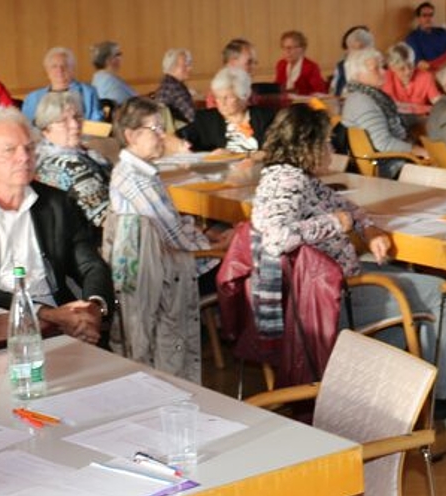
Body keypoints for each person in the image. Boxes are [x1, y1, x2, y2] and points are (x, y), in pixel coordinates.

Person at [254, 103, 446, 418]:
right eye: (324, 142)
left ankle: (378, 382)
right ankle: (441, 398)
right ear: (306, 145)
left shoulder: (293, 177)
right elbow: (276, 237)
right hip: (336, 295)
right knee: (439, 293)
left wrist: (368, 228)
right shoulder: (288, 183)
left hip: (333, 286)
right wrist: (337, 223)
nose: (330, 149)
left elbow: (346, 206)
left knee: (418, 298)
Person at [0, 108, 113, 347]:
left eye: (29, 148)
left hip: (62, 319)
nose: (24, 157)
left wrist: (92, 308)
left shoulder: (57, 204)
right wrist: (42, 313)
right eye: (10, 150)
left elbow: (90, 264)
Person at [109, 98, 228, 383]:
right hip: (166, 276)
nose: (163, 135)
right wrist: (218, 248)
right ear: (131, 135)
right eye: (156, 129)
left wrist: (209, 236)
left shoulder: (140, 171)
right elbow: (173, 238)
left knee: (233, 242)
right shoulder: (135, 179)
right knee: (246, 267)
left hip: (164, 263)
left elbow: (174, 224)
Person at [34, 92, 111, 229]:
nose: (75, 124)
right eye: (64, 121)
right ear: (46, 129)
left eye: (77, 117)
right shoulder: (71, 165)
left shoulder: (44, 160)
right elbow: (107, 220)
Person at [341, 48, 421, 179]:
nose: (383, 72)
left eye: (382, 67)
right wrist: (416, 150)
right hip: (390, 166)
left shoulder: (366, 95)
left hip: (394, 159)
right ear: (357, 74)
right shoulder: (362, 101)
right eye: (376, 68)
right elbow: (383, 143)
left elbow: (392, 120)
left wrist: (419, 119)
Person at [179, 67, 277, 155]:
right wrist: (180, 145)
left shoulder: (266, 118)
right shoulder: (204, 119)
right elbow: (177, 138)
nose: (221, 103)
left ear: (244, 96)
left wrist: (236, 155)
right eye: (218, 97)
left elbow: (275, 151)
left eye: (228, 97)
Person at [22, 47, 104, 121]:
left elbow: (95, 122)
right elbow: (27, 126)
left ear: (73, 69)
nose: (60, 70)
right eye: (54, 66)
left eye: (65, 65)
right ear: (47, 71)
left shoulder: (88, 92)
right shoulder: (33, 98)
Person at [382, 43, 442, 111]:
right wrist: (427, 108)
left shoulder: (426, 77)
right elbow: (388, 107)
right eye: (402, 68)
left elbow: (438, 101)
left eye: (411, 65)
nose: (408, 71)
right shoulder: (384, 78)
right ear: (392, 68)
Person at [276, 31, 330, 95]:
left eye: (289, 48)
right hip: (285, 104)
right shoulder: (281, 65)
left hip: (305, 103)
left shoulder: (310, 67)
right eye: (284, 48)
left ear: (301, 49)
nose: (287, 52)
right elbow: (277, 89)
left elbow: (320, 93)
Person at [207, 39, 256, 108]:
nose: (253, 67)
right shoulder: (219, 91)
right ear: (232, 63)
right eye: (249, 63)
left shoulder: (247, 87)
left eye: (255, 63)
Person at [155, 48, 196, 125]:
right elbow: (192, 116)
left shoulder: (167, 82)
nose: (190, 68)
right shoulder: (174, 87)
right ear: (172, 66)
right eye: (185, 65)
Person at [89, 41, 137, 106]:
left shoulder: (104, 78)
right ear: (108, 60)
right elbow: (121, 103)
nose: (121, 57)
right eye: (118, 54)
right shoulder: (107, 81)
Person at [331, 27, 374, 97]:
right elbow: (334, 91)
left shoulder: (374, 66)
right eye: (350, 48)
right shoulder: (342, 66)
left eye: (360, 48)